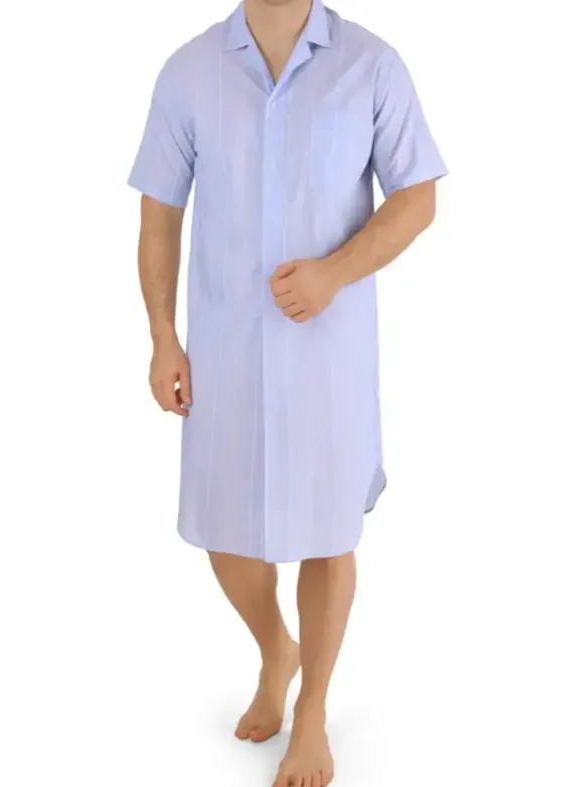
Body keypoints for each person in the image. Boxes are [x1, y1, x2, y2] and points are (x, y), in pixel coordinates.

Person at [127, 0, 447, 784]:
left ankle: (313, 711)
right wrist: (163, 334)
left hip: (327, 357)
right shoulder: (189, 71)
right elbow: (160, 212)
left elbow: (417, 197)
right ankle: (278, 648)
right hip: (224, 353)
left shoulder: (371, 65)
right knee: (224, 529)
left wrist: (334, 272)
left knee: (329, 533)